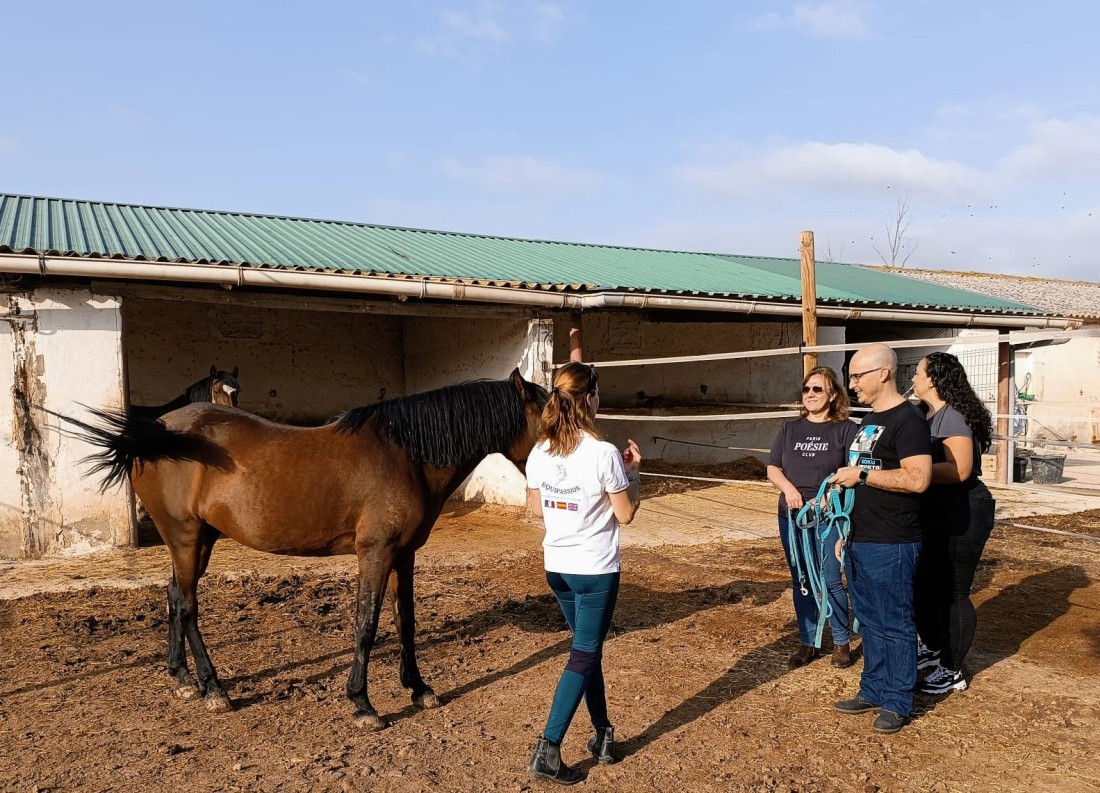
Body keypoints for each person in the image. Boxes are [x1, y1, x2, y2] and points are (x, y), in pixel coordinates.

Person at [524, 362, 642, 785]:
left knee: (586, 651)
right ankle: (548, 748)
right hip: (595, 570)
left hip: (557, 566)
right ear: (590, 399)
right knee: (584, 653)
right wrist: (632, 475)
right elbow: (625, 514)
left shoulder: (540, 451)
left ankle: (603, 733)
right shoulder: (604, 453)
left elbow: (536, 510)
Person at [830, 343, 931, 734]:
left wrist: (862, 475)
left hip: (893, 540)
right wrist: (846, 530)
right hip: (861, 536)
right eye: (851, 376)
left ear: (884, 373)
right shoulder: (871, 419)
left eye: (857, 376)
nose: (852, 384)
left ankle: (898, 700)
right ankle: (873, 688)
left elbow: (918, 479)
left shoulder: (908, 421)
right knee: (869, 621)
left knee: (895, 622)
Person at [911, 352, 996, 695]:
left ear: (933, 379)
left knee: (953, 592)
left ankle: (951, 669)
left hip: (962, 508)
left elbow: (960, 470)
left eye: (917, 373)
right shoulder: (925, 414)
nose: (913, 378)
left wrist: (913, 472)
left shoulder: (953, 416)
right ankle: (933, 647)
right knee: (924, 584)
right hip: (935, 509)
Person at [767, 366, 858, 669]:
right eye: (806, 389)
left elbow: (853, 471)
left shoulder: (846, 429)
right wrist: (790, 491)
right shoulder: (789, 429)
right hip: (792, 515)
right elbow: (773, 467)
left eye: (817, 389)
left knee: (830, 577)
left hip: (828, 516)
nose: (810, 394)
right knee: (802, 579)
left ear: (832, 394)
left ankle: (841, 641)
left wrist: (832, 493)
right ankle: (809, 641)